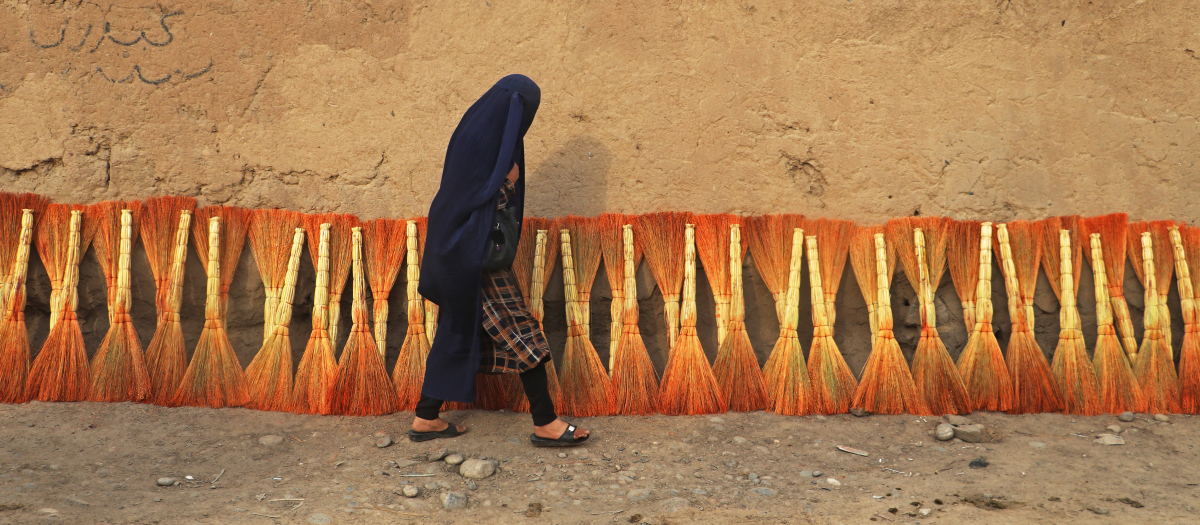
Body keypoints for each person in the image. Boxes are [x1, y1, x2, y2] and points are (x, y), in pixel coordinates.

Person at [412, 74, 590, 447]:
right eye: (526, 112)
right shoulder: (486, 144)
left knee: (458, 329)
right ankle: (546, 423)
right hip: (474, 255)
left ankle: (426, 417)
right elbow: (476, 201)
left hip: (460, 250)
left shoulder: (474, 132)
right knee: (522, 330)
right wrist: (507, 183)